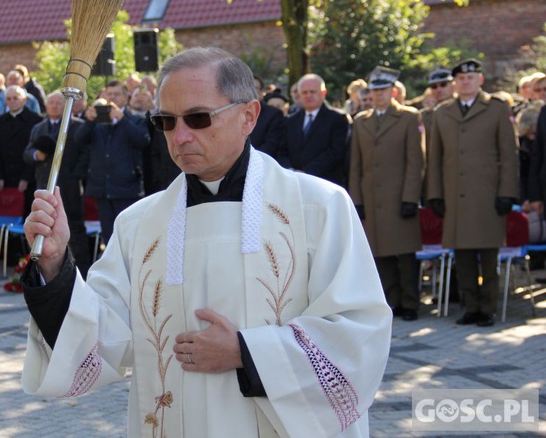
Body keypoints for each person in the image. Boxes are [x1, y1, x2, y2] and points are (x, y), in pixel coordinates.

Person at [19, 48, 391, 437]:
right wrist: (56, 262)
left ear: (248, 116)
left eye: (198, 118)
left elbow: (358, 333)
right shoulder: (139, 225)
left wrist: (247, 353)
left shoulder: (318, 208)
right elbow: (99, 338)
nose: (180, 136)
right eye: (166, 121)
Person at [427, 58, 519, 327]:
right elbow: (435, 158)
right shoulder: (443, 112)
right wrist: (435, 194)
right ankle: (470, 306)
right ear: (455, 83)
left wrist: (507, 193)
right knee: (463, 256)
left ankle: (488, 307)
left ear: (480, 79)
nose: (465, 82)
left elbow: (509, 155)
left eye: (470, 77)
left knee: (488, 257)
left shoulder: (497, 109)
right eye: (460, 79)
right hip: (455, 195)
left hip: (487, 194)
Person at [349, 66, 424, 321]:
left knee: (404, 254)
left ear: (392, 91)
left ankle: (411, 303)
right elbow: (356, 165)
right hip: (372, 197)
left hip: (399, 195)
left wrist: (410, 197)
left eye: (383, 90)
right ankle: (390, 302)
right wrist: (356, 200)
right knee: (380, 254)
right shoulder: (361, 121)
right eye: (375, 91)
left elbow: (416, 161)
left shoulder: (408, 117)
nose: (379, 95)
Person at [23, 90, 91, 274]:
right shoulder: (38, 127)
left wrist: (75, 173)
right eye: (51, 103)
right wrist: (37, 154)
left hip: (69, 186)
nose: (54, 106)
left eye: (58, 103)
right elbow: (27, 152)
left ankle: (81, 272)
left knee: (74, 228)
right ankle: (51, 271)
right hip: (43, 184)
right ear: (45, 106)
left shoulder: (77, 126)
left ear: (66, 106)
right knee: (45, 227)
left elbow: (86, 154)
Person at [75, 80, 150, 244]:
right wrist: (89, 121)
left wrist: (122, 120)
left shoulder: (135, 120)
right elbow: (79, 139)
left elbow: (143, 141)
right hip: (102, 188)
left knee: (129, 237)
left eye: (116, 94)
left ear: (126, 97)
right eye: (109, 94)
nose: (112, 97)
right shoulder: (97, 122)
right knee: (109, 237)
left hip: (126, 187)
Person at [277, 74, 351, 186]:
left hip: (325, 183)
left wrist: (306, 172)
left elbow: (336, 152)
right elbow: (282, 151)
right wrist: (290, 171)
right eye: (304, 92)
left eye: (313, 92)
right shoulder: (290, 121)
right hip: (295, 183)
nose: (308, 96)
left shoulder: (338, 119)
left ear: (323, 93)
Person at [0, 86, 42, 218]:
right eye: (9, 99)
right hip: (5, 176)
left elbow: (35, 152)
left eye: (16, 98)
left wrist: (26, 178)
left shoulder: (35, 120)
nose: (12, 101)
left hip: (27, 177)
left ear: (24, 100)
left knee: (27, 216)